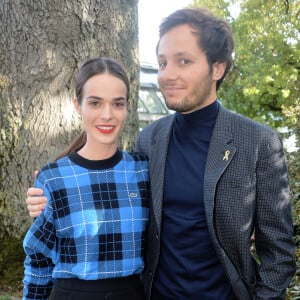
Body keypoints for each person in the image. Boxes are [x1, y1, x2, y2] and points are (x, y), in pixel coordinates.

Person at [26, 7, 295, 300]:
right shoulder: (150, 140)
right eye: (163, 62)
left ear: (217, 68)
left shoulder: (258, 142)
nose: (168, 74)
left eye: (183, 61)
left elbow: (278, 254)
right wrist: (50, 191)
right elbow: (111, 186)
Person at [22, 57, 149, 300]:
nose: (107, 115)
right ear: (78, 105)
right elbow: (38, 257)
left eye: (117, 104)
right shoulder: (53, 178)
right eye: (95, 103)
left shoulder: (142, 171)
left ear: (128, 107)